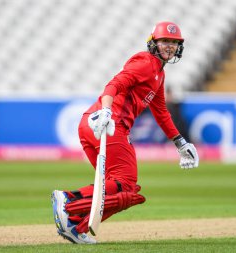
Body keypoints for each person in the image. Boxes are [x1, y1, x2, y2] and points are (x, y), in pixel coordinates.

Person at [51, 21, 199, 244]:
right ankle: (68, 201)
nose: (169, 46)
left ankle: (75, 225)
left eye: (174, 42)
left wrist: (180, 142)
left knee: (118, 189)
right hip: (109, 125)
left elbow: (161, 112)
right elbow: (114, 84)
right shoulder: (145, 62)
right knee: (128, 187)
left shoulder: (159, 74)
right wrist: (106, 111)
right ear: (154, 43)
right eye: (165, 41)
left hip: (92, 124)